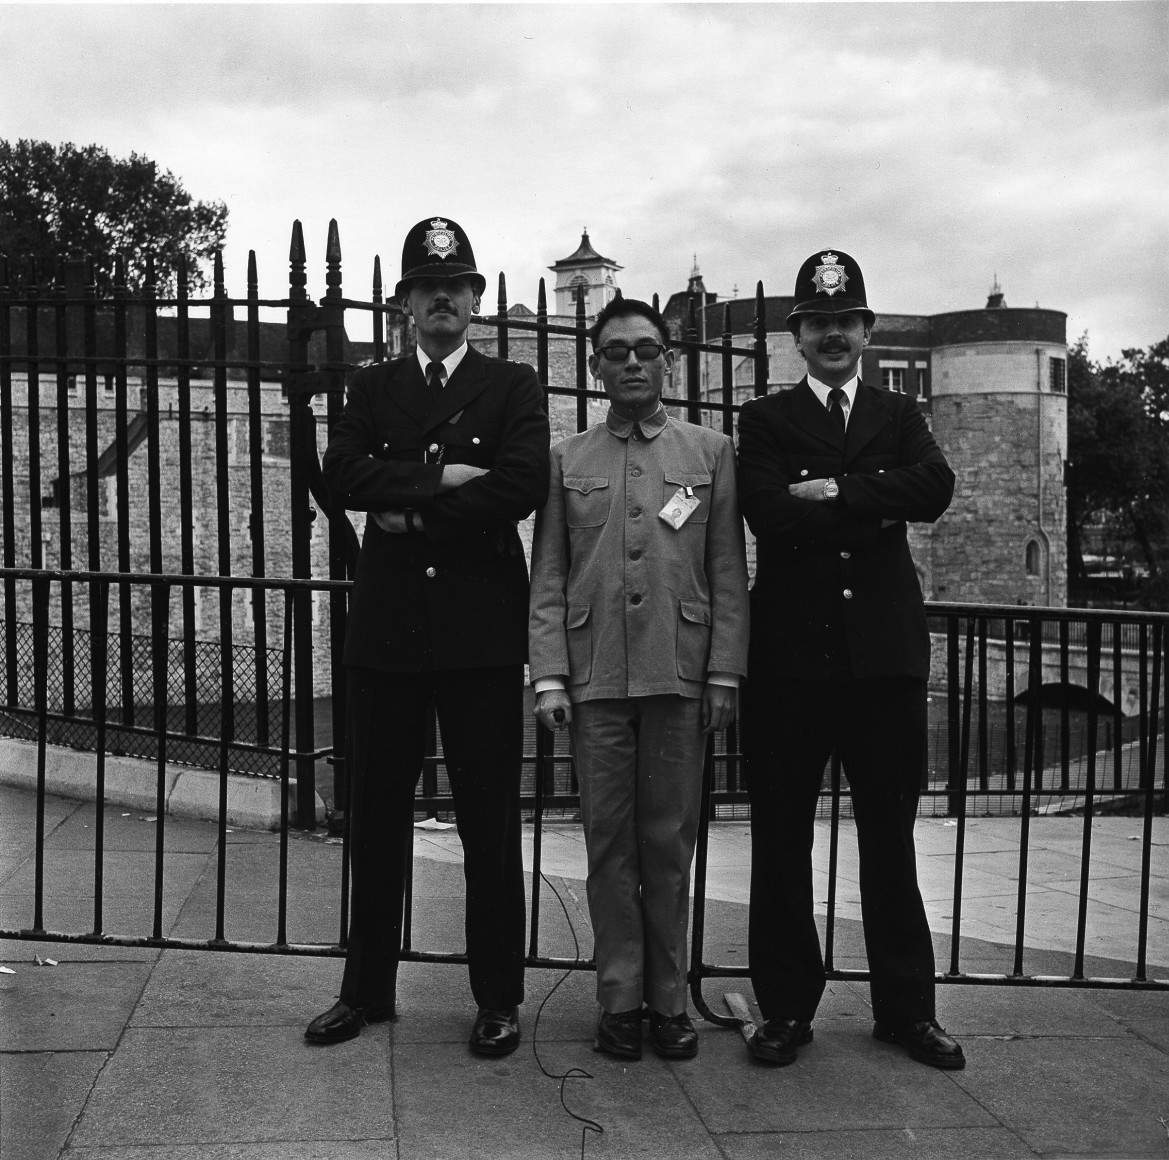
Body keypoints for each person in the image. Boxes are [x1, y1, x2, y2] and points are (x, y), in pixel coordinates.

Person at [306, 217, 550, 1054]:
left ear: (476, 299)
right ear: (405, 303)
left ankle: (497, 999)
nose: (441, 298)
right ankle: (365, 989)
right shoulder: (373, 388)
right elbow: (340, 474)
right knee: (374, 814)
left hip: (481, 632)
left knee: (488, 821)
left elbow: (520, 483)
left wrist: (407, 509)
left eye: (457, 285)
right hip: (390, 629)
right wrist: (444, 477)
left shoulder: (511, 384)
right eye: (425, 287)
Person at [736, 249, 964, 1070]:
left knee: (889, 841)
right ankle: (786, 1011)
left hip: (882, 661)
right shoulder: (763, 421)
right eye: (817, 322)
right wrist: (875, 497)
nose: (832, 334)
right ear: (796, 335)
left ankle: (905, 1012)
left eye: (846, 321)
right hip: (791, 666)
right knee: (782, 840)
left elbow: (933, 491)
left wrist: (833, 492)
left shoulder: (899, 416)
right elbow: (766, 513)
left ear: (865, 331)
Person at [529, 297, 749, 1061]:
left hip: (678, 673)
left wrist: (723, 671)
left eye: (645, 350)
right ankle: (619, 998)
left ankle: (669, 999)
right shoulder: (568, 459)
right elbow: (550, 573)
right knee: (606, 846)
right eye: (615, 350)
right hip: (594, 677)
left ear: (667, 361)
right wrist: (549, 676)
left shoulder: (710, 451)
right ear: (594, 366)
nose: (631, 361)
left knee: (669, 843)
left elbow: (726, 568)